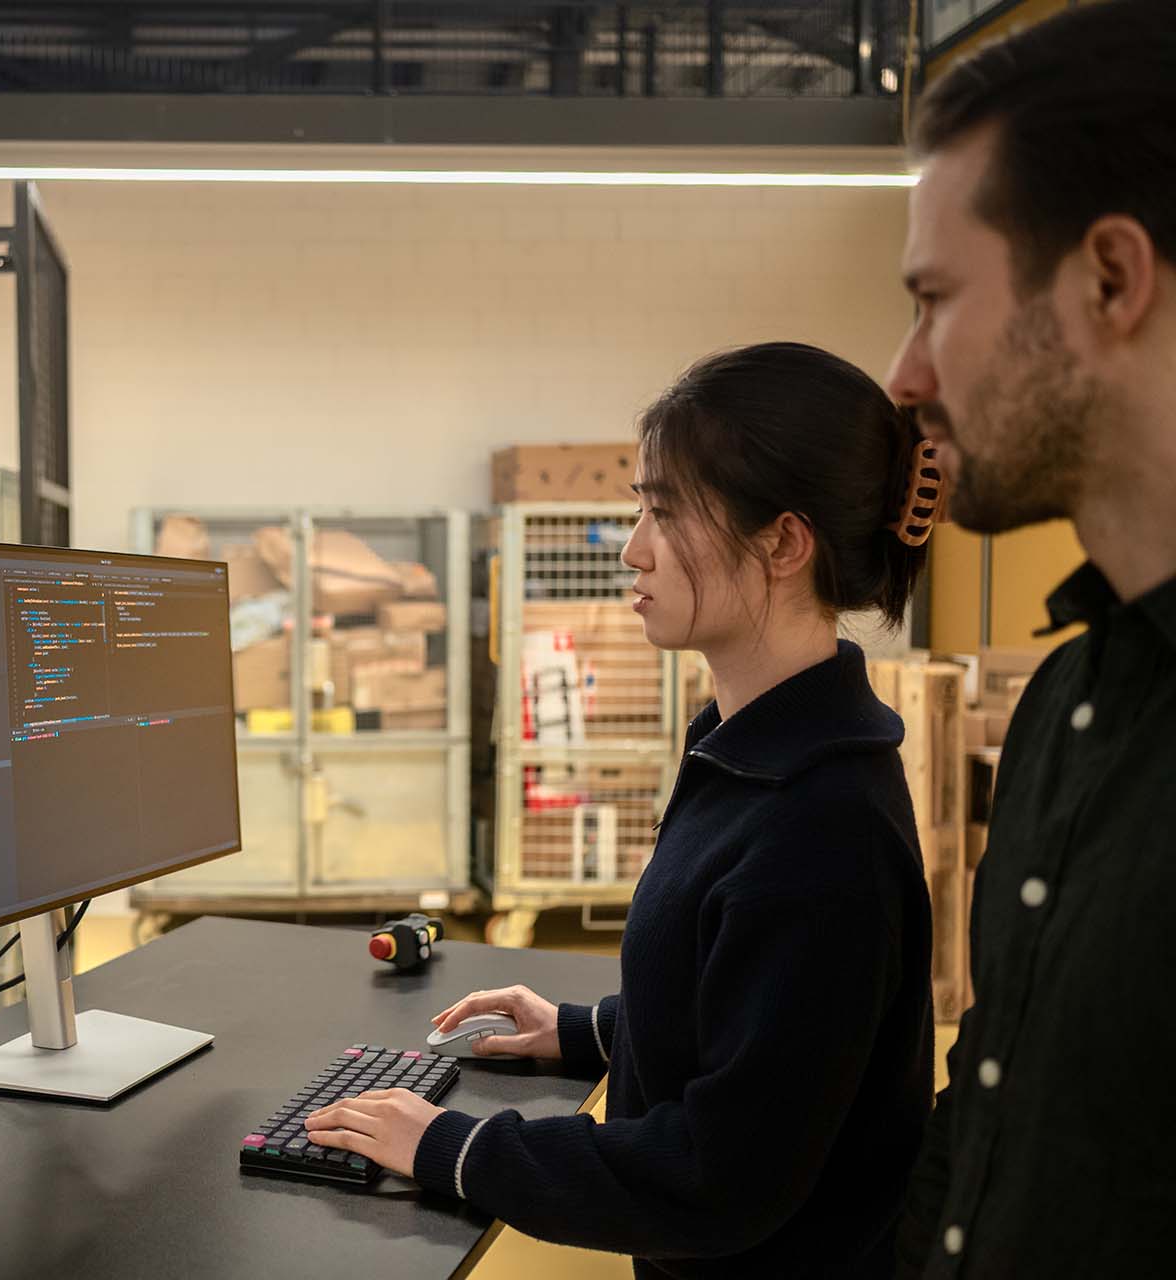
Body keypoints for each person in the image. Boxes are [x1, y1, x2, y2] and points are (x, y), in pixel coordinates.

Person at [306, 342, 935, 1277]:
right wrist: (585, 1031)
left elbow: (718, 1178)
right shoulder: (743, 746)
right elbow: (757, 1023)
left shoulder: (823, 823)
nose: (634, 547)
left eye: (666, 511)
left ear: (784, 543)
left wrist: (454, 1147)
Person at [883, 4, 1176, 1274]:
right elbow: (989, 1112)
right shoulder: (1071, 702)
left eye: (936, 299)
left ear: (1109, 279)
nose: (905, 370)